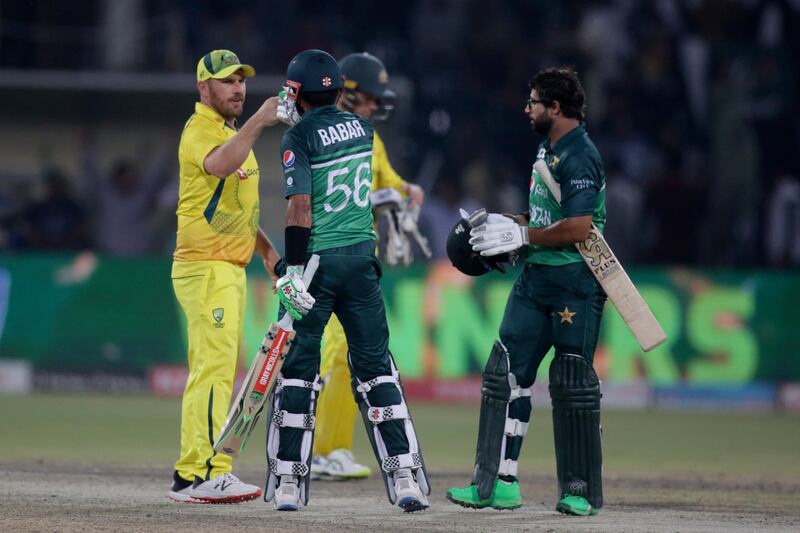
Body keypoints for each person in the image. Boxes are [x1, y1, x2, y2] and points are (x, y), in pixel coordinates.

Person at [264, 48, 430, 513]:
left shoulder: (297, 135)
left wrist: (292, 268)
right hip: (362, 263)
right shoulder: (364, 130)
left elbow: (299, 208)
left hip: (318, 264)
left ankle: (291, 486)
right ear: (339, 91)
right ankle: (404, 481)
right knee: (378, 372)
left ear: (296, 92)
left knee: (299, 374)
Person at [445, 67, 608, 516]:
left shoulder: (581, 156)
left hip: (575, 284)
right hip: (536, 280)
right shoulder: (547, 147)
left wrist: (525, 238)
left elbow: (579, 227)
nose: (527, 108)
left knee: (572, 382)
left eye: (534, 102)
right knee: (505, 373)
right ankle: (495, 484)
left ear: (555, 108)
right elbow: (544, 218)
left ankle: (579, 490)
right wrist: (507, 223)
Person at [168, 49, 288, 504]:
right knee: (214, 370)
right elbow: (217, 166)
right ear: (204, 88)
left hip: (225, 265)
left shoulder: (227, 132)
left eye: (241, 80)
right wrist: (259, 121)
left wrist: (266, 249)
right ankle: (205, 473)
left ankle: (191, 473)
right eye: (226, 81)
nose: (238, 88)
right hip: (206, 266)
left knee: (213, 369)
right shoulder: (201, 130)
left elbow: (232, 208)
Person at [309, 52, 426, 481]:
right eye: (371, 98)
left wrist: (406, 191)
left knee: (349, 356)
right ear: (349, 92)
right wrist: (381, 199)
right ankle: (324, 451)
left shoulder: (370, 138)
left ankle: (330, 449)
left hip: (362, 261)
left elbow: (387, 181)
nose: (377, 106)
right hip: (334, 254)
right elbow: (325, 194)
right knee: (338, 354)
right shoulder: (321, 132)